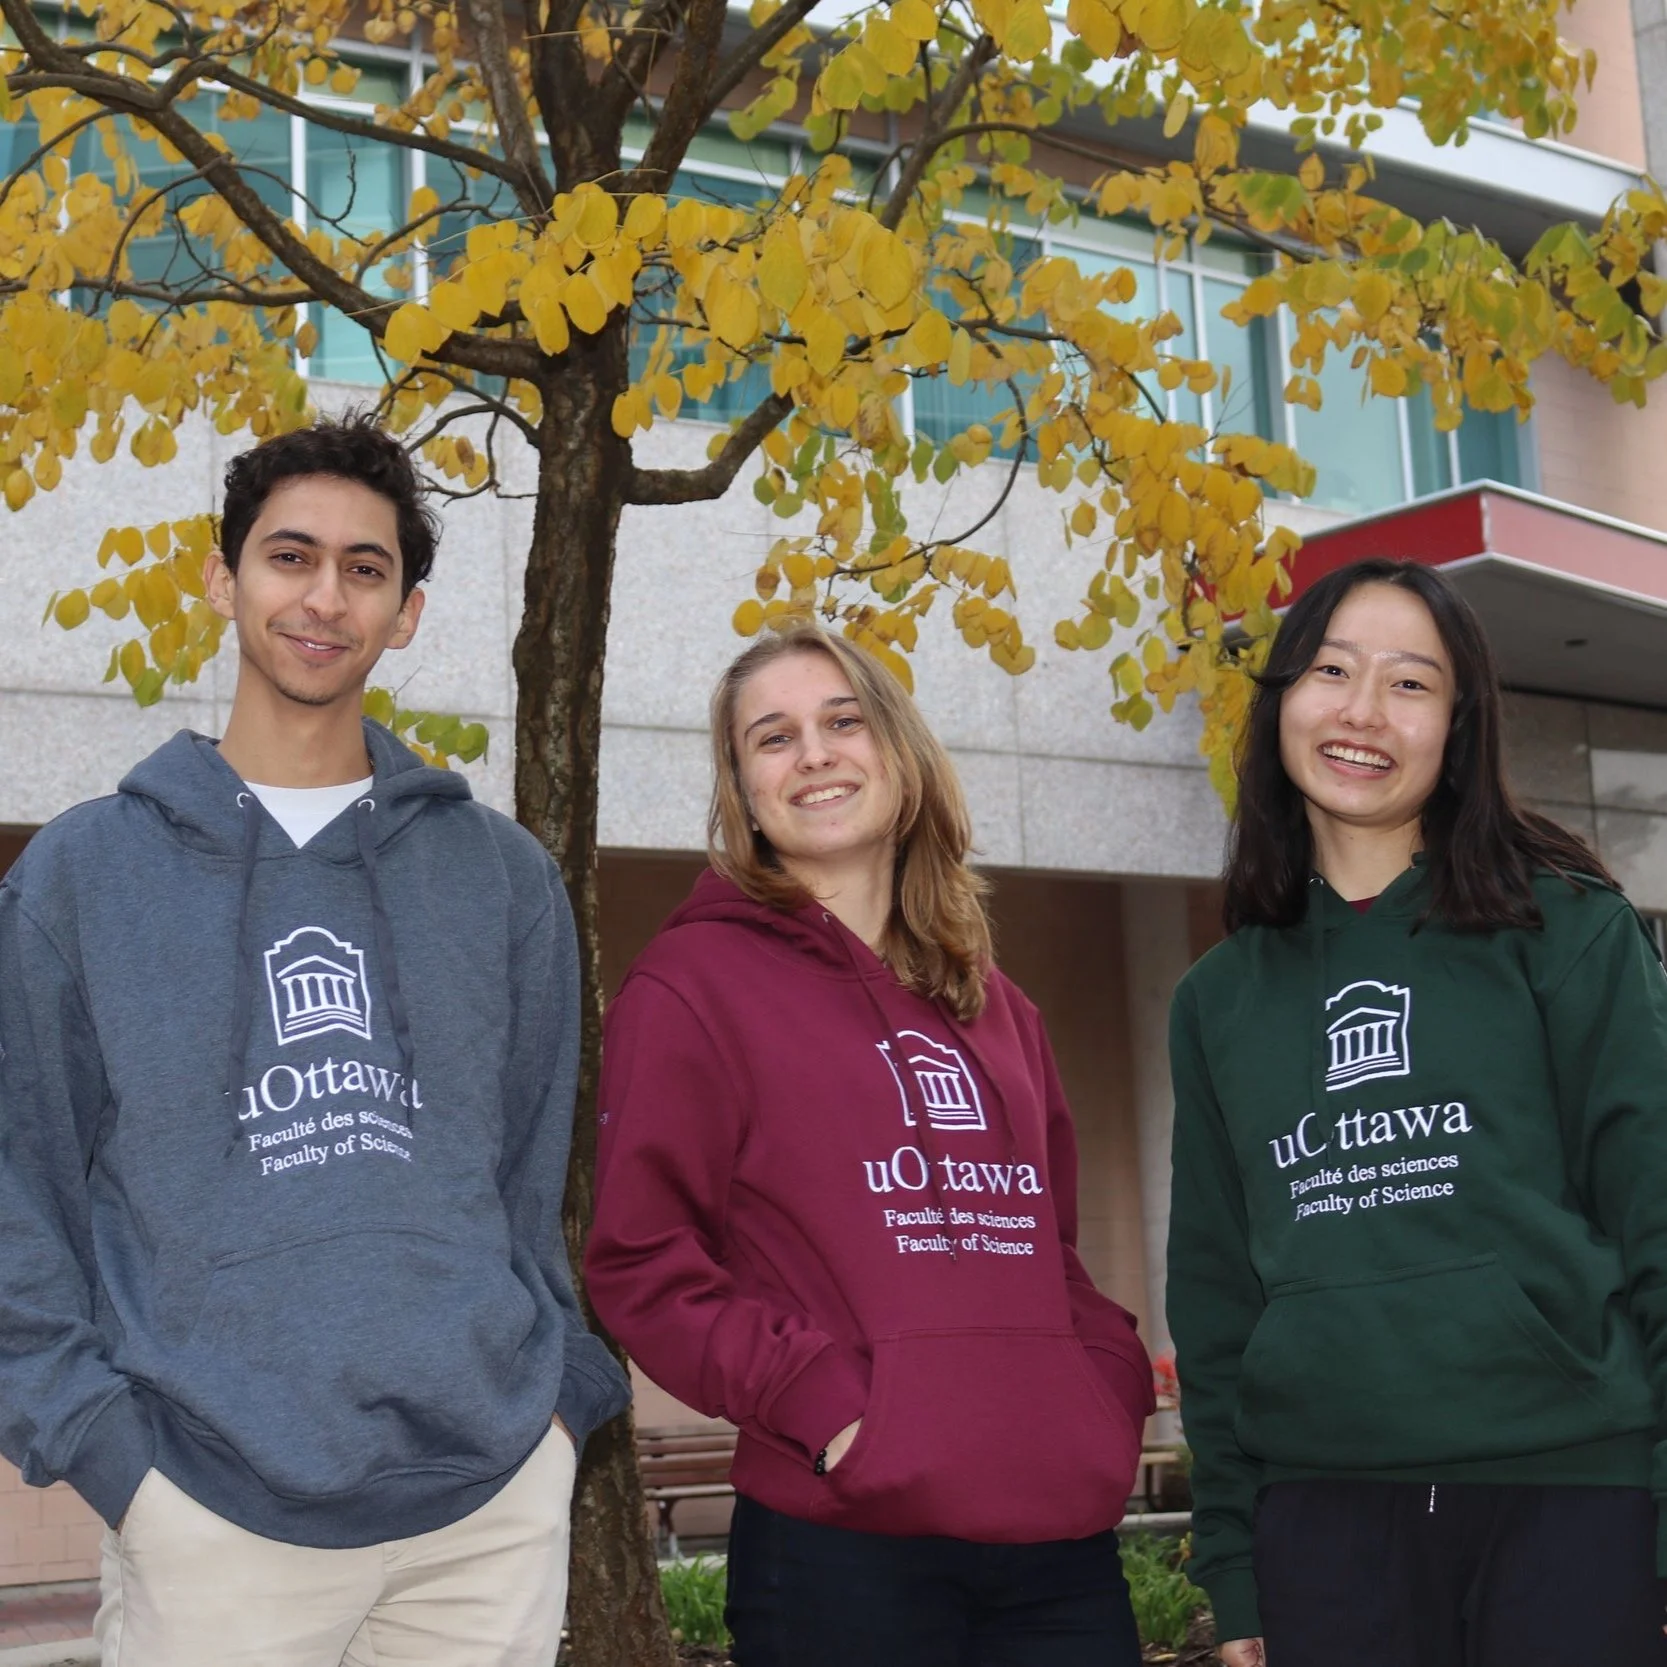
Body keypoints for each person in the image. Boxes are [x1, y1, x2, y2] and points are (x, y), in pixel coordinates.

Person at [0, 413, 628, 1667]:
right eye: (290, 557)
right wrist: (107, 1452)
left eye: (365, 567)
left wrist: (563, 1400)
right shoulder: (81, 874)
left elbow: (532, 1171)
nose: (323, 596)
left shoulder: (501, 878)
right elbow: (21, 1182)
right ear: (222, 578)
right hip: (212, 1509)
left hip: (486, 1508)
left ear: (405, 611)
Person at [586, 625, 1154, 1667]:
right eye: (772, 736)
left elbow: (1048, 1255)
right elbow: (641, 1257)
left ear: (897, 751)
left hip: (1054, 1551)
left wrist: (1100, 1389)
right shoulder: (689, 988)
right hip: (837, 1543)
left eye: (841, 720)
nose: (813, 752)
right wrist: (829, 1410)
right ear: (741, 788)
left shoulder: (1000, 1009)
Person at [1166, 556, 1667, 1667]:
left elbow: (1657, 1222)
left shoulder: (1570, 932)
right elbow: (1212, 1301)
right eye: (1331, 670)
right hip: (1324, 1518)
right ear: (1282, 701)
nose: (1360, 711)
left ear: (1456, 724)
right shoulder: (1216, 1000)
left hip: (1570, 1495)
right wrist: (1233, 1564)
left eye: (1408, 682)